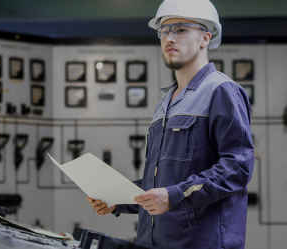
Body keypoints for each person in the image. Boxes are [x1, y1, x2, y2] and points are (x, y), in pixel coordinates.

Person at [86, 0, 254, 248]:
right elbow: (161, 183)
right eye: (164, 30)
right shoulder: (165, 103)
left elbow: (237, 167)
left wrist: (173, 196)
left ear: (205, 39)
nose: (169, 38)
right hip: (154, 242)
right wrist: (118, 199)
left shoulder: (221, 90)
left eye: (181, 29)